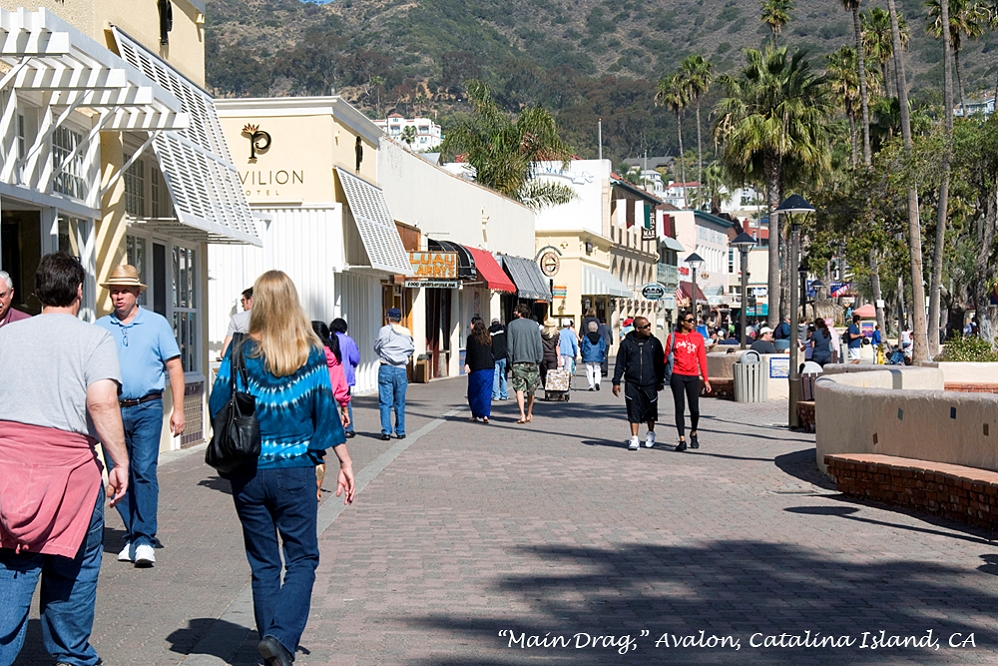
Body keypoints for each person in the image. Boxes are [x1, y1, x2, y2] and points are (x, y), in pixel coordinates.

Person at [209, 270, 354, 666]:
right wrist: (344, 461)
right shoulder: (310, 353)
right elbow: (325, 411)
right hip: (295, 471)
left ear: (256, 303)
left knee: (264, 564)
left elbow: (217, 402)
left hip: (248, 472)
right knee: (303, 558)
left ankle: (271, 648)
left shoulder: (239, 351)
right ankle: (279, 637)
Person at [0, 253, 129, 666]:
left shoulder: (5, 338)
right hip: (72, 475)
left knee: (10, 567)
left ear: (36, 291)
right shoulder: (93, 339)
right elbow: (102, 402)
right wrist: (119, 461)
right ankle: (71, 656)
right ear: (79, 291)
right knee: (72, 572)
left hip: (8, 471)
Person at [95, 264, 185, 567]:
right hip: (112, 410)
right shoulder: (100, 327)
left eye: (123, 291)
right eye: (113, 291)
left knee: (143, 470)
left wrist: (179, 410)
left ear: (136, 293)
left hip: (148, 406)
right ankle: (133, 533)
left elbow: (174, 367)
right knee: (117, 471)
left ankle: (144, 538)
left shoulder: (156, 324)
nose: (118, 296)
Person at [612, 316, 665, 451]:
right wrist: (616, 381)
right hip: (632, 383)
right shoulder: (627, 344)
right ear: (637, 329)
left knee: (650, 410)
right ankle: (634, 438)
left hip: (650, 382)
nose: (649, 328)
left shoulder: (654, 343)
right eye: (645, 326)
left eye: (649, 325)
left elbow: (660, 363)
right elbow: (620, 364)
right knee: (633, 410)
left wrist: (660, 380)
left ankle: (650, 432)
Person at [667, 310, 712, 452]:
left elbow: (702, 359)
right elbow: (666, 357)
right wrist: (661, 378)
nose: (693, 323)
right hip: (677, 374)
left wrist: (706, 380)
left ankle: (693, 432)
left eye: (693, 320)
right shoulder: (673, 337)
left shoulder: (698, 337)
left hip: (693, 375)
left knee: (694, 409)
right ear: (682, 322)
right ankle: (682, 439)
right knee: (679, 408)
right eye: (690, 320)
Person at [374, 307, 414, 441]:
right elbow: (411, 349)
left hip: (386, 367)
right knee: (400, 402)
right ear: (401, 318)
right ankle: (400, 431)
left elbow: (377, 346)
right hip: (401, 369)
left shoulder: (384, 330)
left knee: (385, 402)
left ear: (388, 318)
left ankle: (386, 431)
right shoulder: (406, 332)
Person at [506, 303, 543, 424]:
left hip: (517, 361)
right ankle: (529, 413)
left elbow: (509, 346)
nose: (514, 313)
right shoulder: (534, 326)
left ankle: (521, 414)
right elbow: (539, 344)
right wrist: (539, 359)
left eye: (516, 311)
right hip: (532, 361)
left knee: (519, 389)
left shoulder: (512, 325)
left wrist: (510, 361)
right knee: (531, 390)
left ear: (520, 312)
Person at [312, 321, 351, 432]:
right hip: (328, 403)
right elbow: (342, 387)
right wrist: (345, 410)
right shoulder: (335, 355)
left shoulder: (311, 356)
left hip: (309, 404)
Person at [330, 318, 360, 438]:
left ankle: (332, 428)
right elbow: (355, 358)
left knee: (331, 402)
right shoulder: (349, 341)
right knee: (345, 401)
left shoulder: (329, 340)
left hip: (331, 375)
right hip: (345, 375)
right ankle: (349, 428)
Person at [464, 316, 494, 423]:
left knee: (474, 392)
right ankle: (485, 414)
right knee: (486, 392)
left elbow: (469, 354)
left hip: (476, 368)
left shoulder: (471, 338)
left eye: (471, 324)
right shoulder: (488, 337)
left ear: (474, 324)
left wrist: (467, 364)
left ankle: (475, 414)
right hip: (489, 368)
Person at [222, 287, 253, 357]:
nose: (242, 305)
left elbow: (224, 352)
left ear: (250, 300)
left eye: (243, 301)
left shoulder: (237, 319)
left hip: (244, 363)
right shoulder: (273, 318)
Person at [580, 320, 607, 391]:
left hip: (588, 355)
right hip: (598, 356)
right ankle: (597, 382)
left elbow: (582, 346)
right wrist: (603, 354)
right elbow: (603, 346)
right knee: (597, 370)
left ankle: (591, 385)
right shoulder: (600, 337)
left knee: (589, 370)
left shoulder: (586, 337)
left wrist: (582, 353)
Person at [489, 318, 508, 401]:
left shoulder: (489, 332)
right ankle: (504, 394)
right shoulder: (503, 329)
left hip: (495, 357)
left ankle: (496, 395)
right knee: (503, 375)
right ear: (499, 322)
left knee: (495, 376)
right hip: (504, 355)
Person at [539, 319, 561, 388]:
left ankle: (545, 387)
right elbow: (557, 347)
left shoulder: (541, 333)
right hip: (552, 356)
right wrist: (559, 358)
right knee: (552, 374)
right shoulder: (556, 334)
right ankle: (551, 390)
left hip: (543, 356)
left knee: (543, 374)